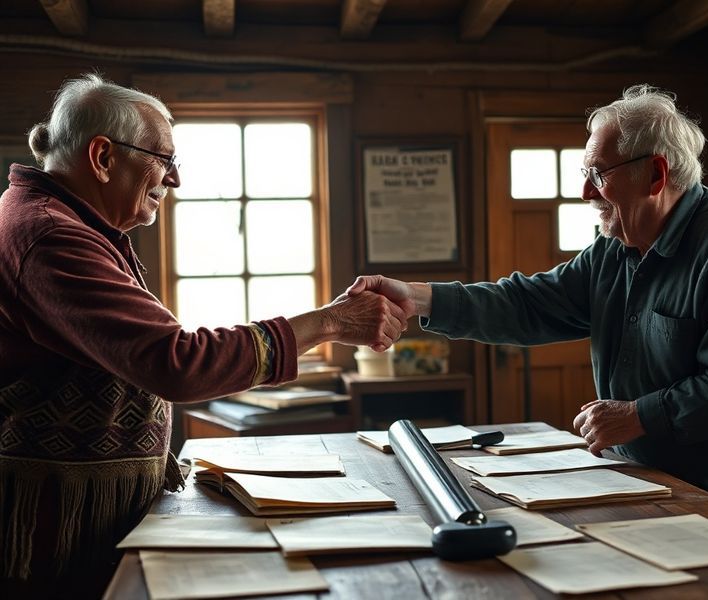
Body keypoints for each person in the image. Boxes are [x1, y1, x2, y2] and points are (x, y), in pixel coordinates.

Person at [0, 74, 405, 597]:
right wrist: (331, 322)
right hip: (54, 531)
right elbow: (175, 362)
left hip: (77, 515)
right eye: (163, 158)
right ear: (102, 158)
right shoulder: (52, 235)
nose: (174, 180)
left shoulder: (65, 222)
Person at [349, 84, 708, 525]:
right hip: (641, 477)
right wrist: (419, 298)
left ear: (656, 175)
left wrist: (638, 416)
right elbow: (528, 304)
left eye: (599, 174)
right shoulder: (615, 245)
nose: (586, 192)